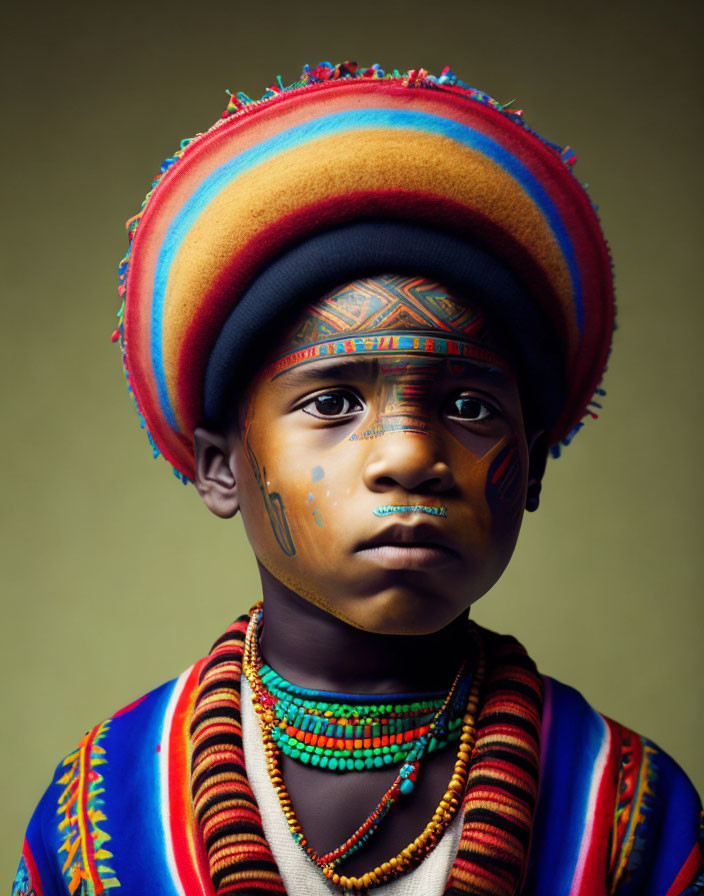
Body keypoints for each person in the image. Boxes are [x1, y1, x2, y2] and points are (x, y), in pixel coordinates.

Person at [12, 61, 703, 896]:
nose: (410, 456)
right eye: (334, 401)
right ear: (220, 466)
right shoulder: (101, 811)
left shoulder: (629, 809)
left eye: (471, 406)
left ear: (532, 463)